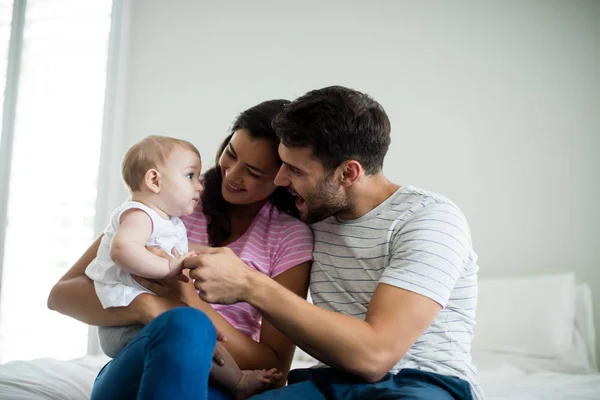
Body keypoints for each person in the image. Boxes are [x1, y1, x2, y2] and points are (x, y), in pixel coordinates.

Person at [186, 86, 483, 400]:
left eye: (295, 170)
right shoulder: (313, 214)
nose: (280, 180)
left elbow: (375, 358)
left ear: (348, 173)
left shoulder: (429, 220)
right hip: (327, 383)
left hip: (420, 384)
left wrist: (249, 283)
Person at [47, 99, 313, 400]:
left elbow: (274, 368)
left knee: (191, 324)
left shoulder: (289, 237)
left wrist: (188, 301)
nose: (232, 174)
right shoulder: (166, 201)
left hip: (222, 383)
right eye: (231, 154)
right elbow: (61, 296)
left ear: (281, 178)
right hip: (137, 365)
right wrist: (146, 307)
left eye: (253, 171)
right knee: (186, 324)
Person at [84, 134, 279, 398]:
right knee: (191, 327)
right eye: (190, 176)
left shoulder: (169, 220)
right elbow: (122, 250)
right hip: (128, 328)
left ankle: (238, 382)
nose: (199, 186)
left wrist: (207, 256)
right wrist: (168, 270)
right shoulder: (138, 215)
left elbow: (182, 251)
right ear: (155, 180)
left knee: (201, 336)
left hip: (170, 328)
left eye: (254, 171)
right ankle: (238, 382)